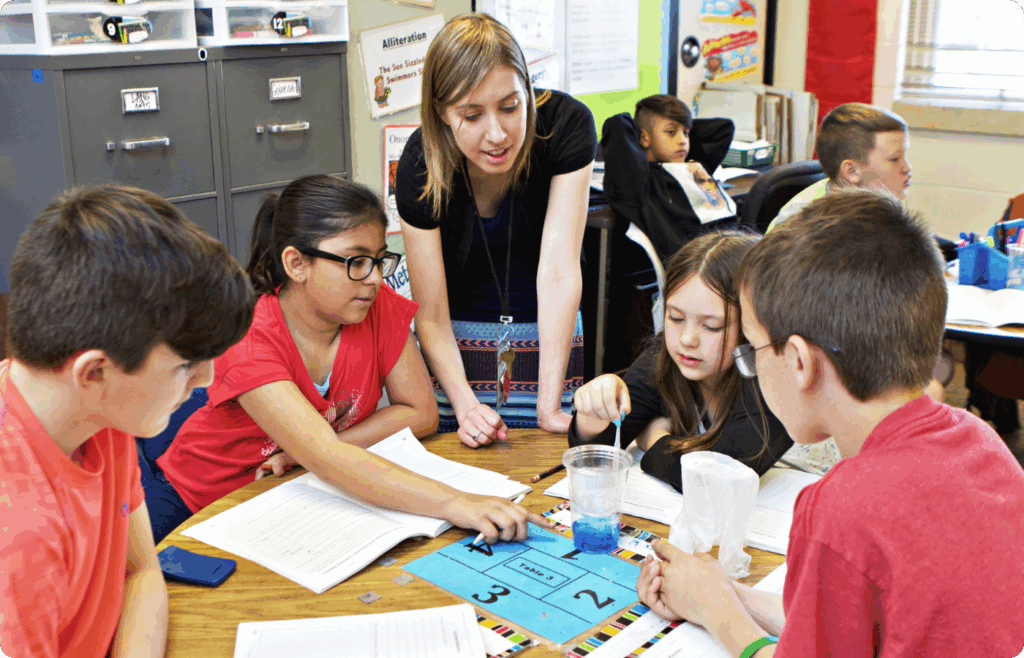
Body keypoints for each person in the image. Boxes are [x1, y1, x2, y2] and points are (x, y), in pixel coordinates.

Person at [636, 190, 1024, 657]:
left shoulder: (842, 508)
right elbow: (869, 617)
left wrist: (721, 614)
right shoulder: (981, 441)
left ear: (799, 361)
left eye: (753, 351)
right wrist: (726, 592)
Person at [150, 175, 548, 544]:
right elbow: (326, 457)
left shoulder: (376, 308)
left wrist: (311, 451)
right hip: (199, 502)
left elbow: (420, 412)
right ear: (296, 264)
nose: (374, 278)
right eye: (356, 262)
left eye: (378, 260)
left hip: (293, 494)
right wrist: (455, 502)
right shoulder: (249, 336)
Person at [0, 185, 255, 658]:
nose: (207, 380)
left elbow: (140, 571)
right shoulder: (18, 538)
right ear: (94, 371)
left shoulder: (103, 412)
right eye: (186, 365)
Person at [396, 13, 597, 446]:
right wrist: (466, 405)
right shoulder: (419, 162)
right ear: (442, 113)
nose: (497, 134)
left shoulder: (566, 126)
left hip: (549, 337)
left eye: (510, 106)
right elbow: (429, 313)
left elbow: (560, 273)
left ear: (528, 88)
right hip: (453, 347)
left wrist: (548, 404)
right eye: (471, 115)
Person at [568, 231, 791, 492]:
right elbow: (596, 455)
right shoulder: (664, 358)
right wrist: (592, 415)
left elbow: (715, 481)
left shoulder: (775, 381)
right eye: (675, 318)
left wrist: (653, 437)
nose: (687, 339)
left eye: (711, 326)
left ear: (754, 327)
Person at [601, 94, 735, 263]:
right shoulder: (640, 182)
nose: (682, 141)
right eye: (671, 132)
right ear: (643, 138)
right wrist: (640, 128)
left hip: (733, 251)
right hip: (705, 268)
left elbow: (724, 128)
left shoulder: (693, 168)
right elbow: (617, 125)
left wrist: (677, 126)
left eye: (686, 133)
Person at [765, 102, 910, 233]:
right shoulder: (801, 224)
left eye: (905, 156)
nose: (907, 168)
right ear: (851, 171)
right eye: (895, 159)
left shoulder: (878, 204)